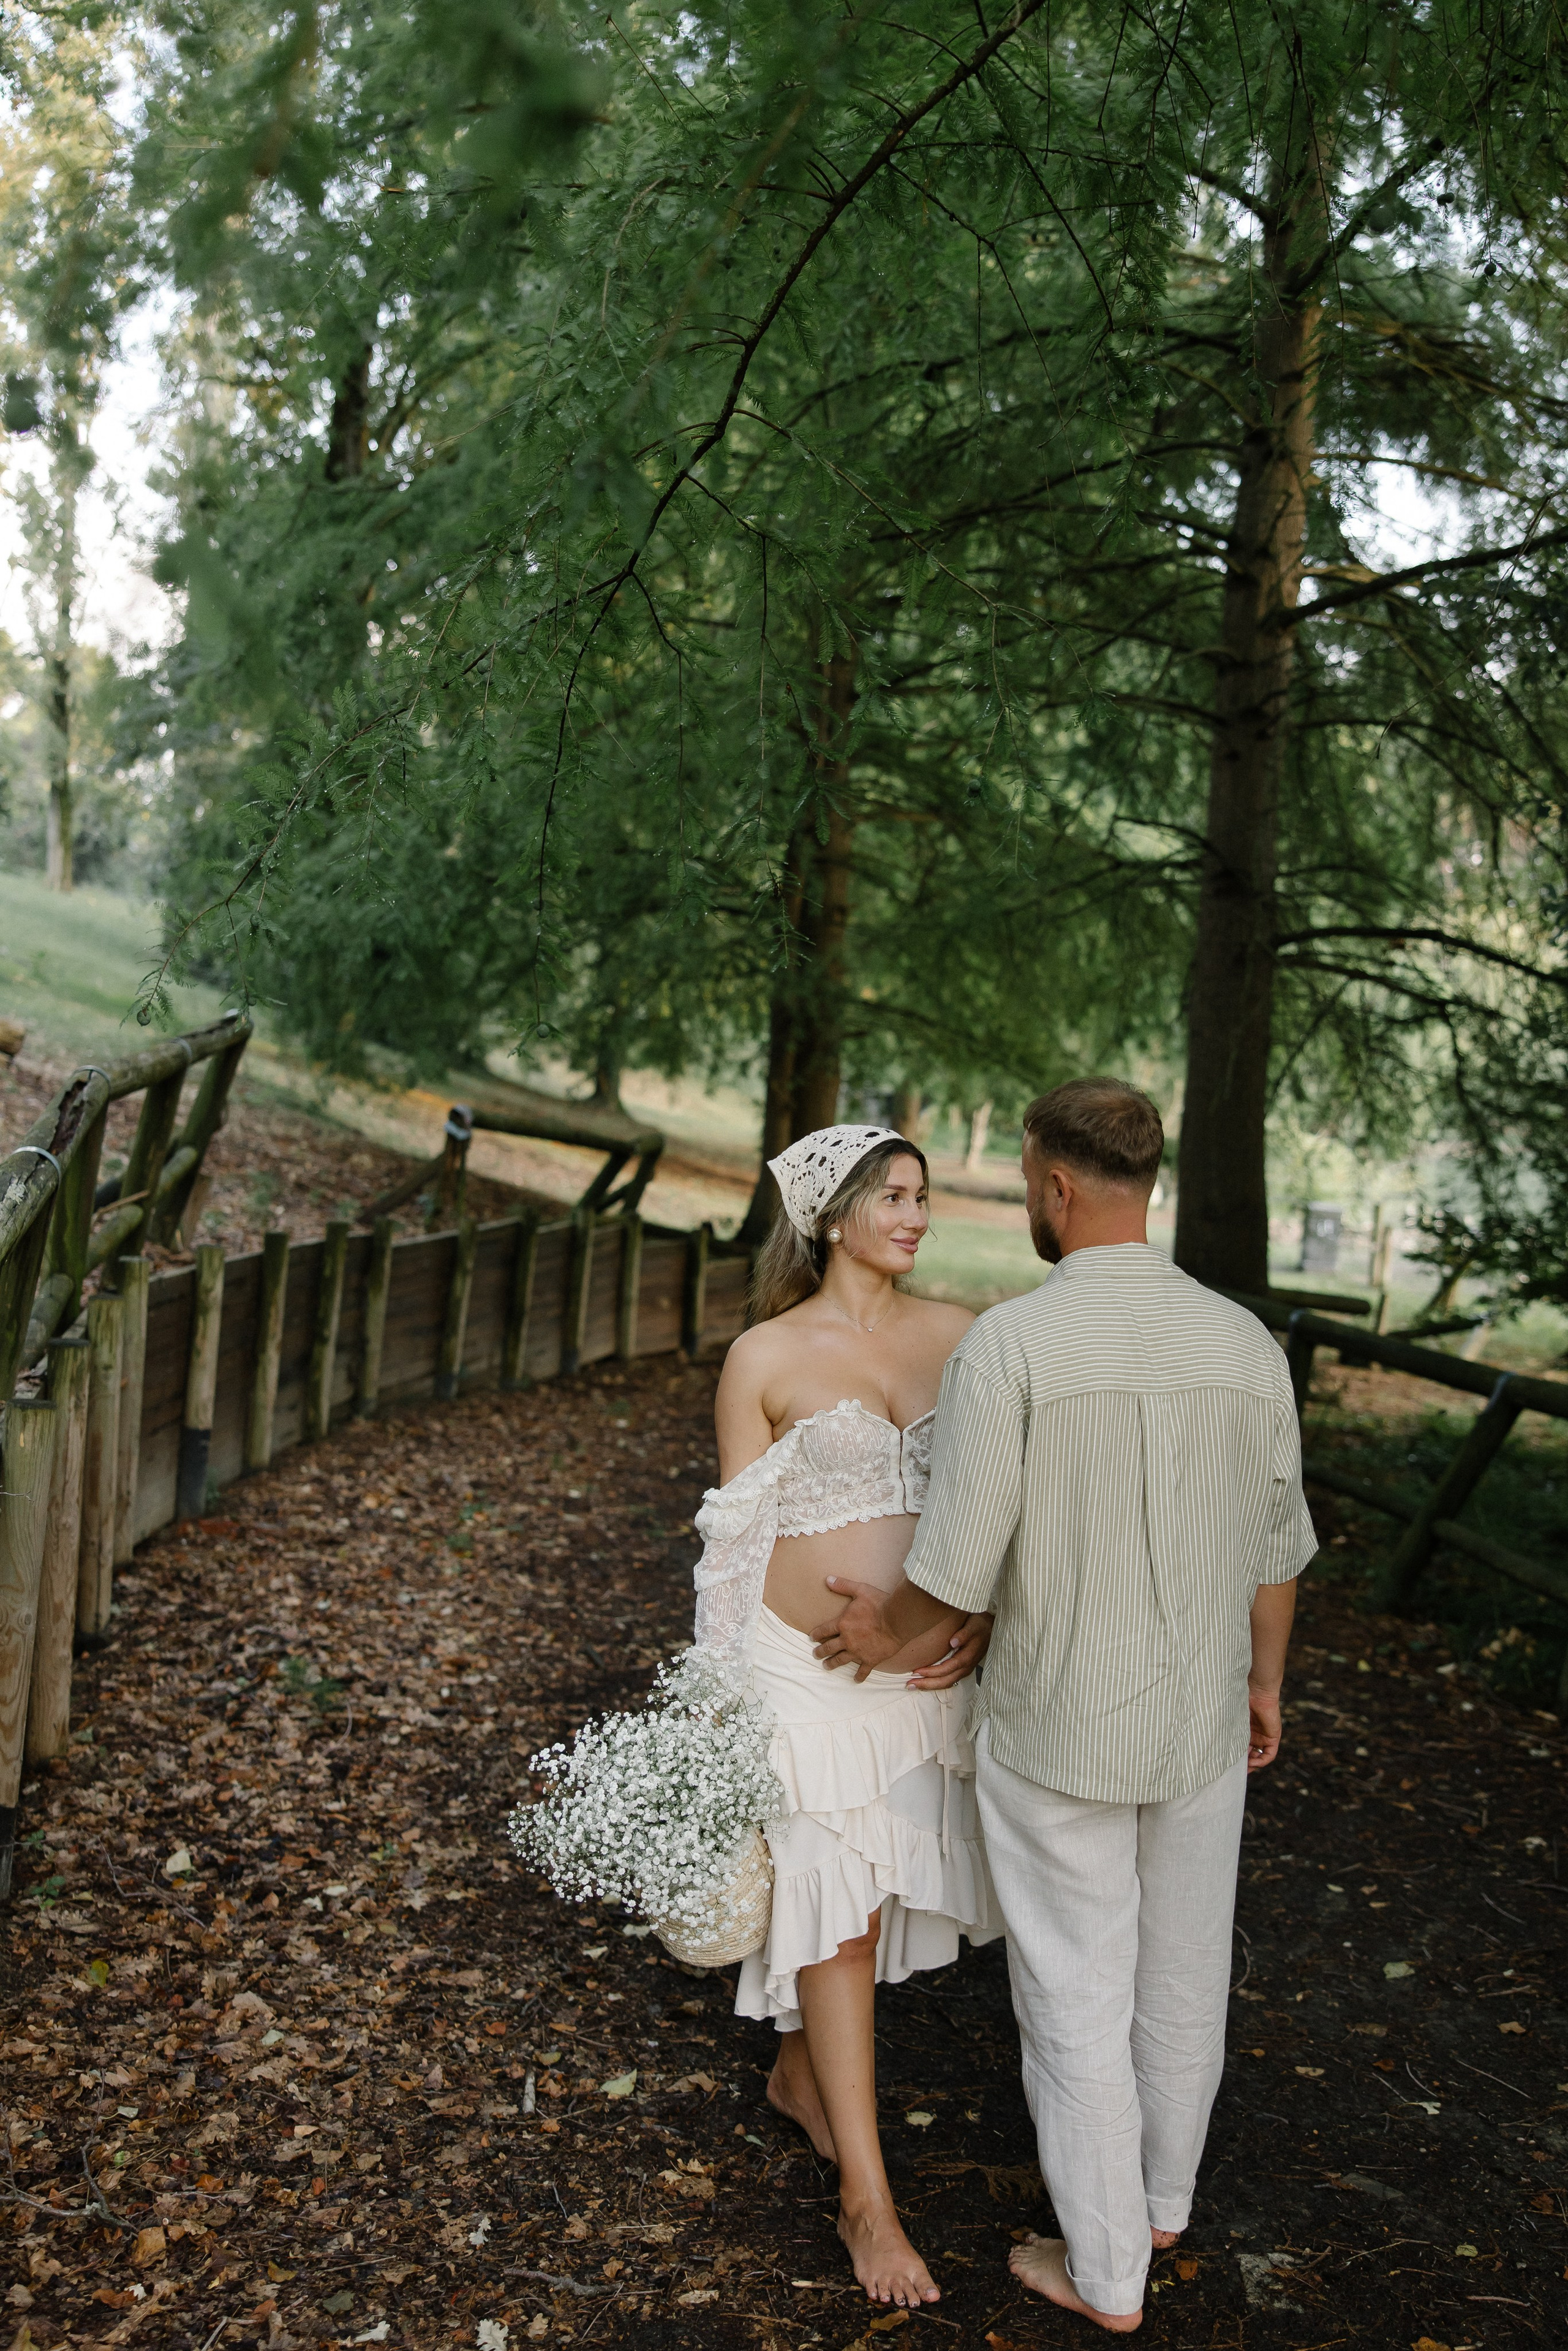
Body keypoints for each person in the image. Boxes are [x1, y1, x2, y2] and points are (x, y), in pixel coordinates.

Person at [815, 1079, 1316, 2334]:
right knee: (1184, 1965)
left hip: (1059, 1724)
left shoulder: (1015, 1344)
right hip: (1199, 1718)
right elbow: (1275, 1548)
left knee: (1076, 1985)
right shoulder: (1244, 1343)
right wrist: (1263, 1679)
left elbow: (956, 1562)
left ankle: (1102, 2269)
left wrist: (881, 1634)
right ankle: (1156, 2201)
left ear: (1052, 1185)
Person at [692, 1123, 1001, 2309]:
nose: (917, 1215)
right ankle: (868, 2201)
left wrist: (977, 1613)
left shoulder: (961, 1339)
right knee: (840, 1910)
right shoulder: (764, 1354)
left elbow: (994, 1500)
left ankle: (794, 2069)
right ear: (830, 1216)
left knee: (863, 1895)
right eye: (894, 1196)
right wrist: (714, 1697)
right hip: (794, 1672)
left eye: (923, 1196)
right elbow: (730, 1546)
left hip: (918, 1672)